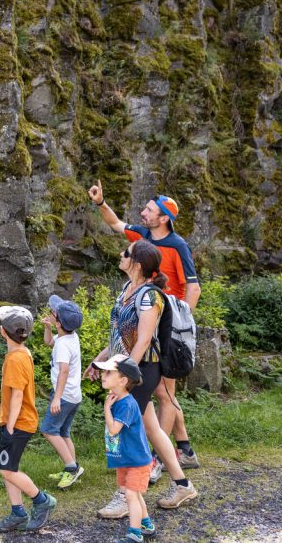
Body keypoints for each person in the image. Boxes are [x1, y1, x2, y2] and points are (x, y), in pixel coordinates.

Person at [87, 180, 202, 472]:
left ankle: (159, 462)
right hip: (143, 326)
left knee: (164, 395)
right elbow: (114, 223)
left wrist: (180, 325)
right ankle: (182, 451)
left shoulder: (177, 246)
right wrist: (101, 203)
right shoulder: (140, 238)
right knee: (163, 395)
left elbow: (193, 288)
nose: (143, 212)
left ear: (164, 218)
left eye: (149, 210)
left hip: (163, 328)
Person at [85, 240, 198, 517]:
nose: (120, 255)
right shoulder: (127, 290)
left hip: (142, 370)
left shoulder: (150, 296)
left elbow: (144, 340)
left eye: (126, 253)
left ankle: (126, 495)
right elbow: (120, 337)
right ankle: (183, 484)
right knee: (152, 429)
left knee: (122, 427)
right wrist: (99, 361)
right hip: (128, 366)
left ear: (137, 263)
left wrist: (124, 373)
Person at [0, 306, 57, 533]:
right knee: (8, 466)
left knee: (8, 470)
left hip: (17, 423)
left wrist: (9, 426)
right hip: (16, 421)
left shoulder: (15, 360)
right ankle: (18, 513)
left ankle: (42, 500)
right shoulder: (21, 353)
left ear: (2, 331)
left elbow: (17, 395)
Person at [96, 354, 157, 543]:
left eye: (108, 372)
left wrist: (106, 409)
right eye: (103, 372)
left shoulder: (127, 405)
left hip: (137, 460)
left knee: (130, 495)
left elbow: (114, 430)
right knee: (134, 494)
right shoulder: (117, 399)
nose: (103, 375)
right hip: (126, 458)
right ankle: (146, 525)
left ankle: (135, 534)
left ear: (123, 381)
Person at [41, 294, 85, 489]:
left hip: (64, 396)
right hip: (73, 395)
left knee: (48, 430)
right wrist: (48, 328)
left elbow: (64, 371)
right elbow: (48, 342)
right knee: (64, 433)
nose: (50, 313)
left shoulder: (64, 346)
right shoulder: (68, 336)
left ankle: (71, 467)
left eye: (52, 314)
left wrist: (56, 398)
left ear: (59, 322)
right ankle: (73, 469)